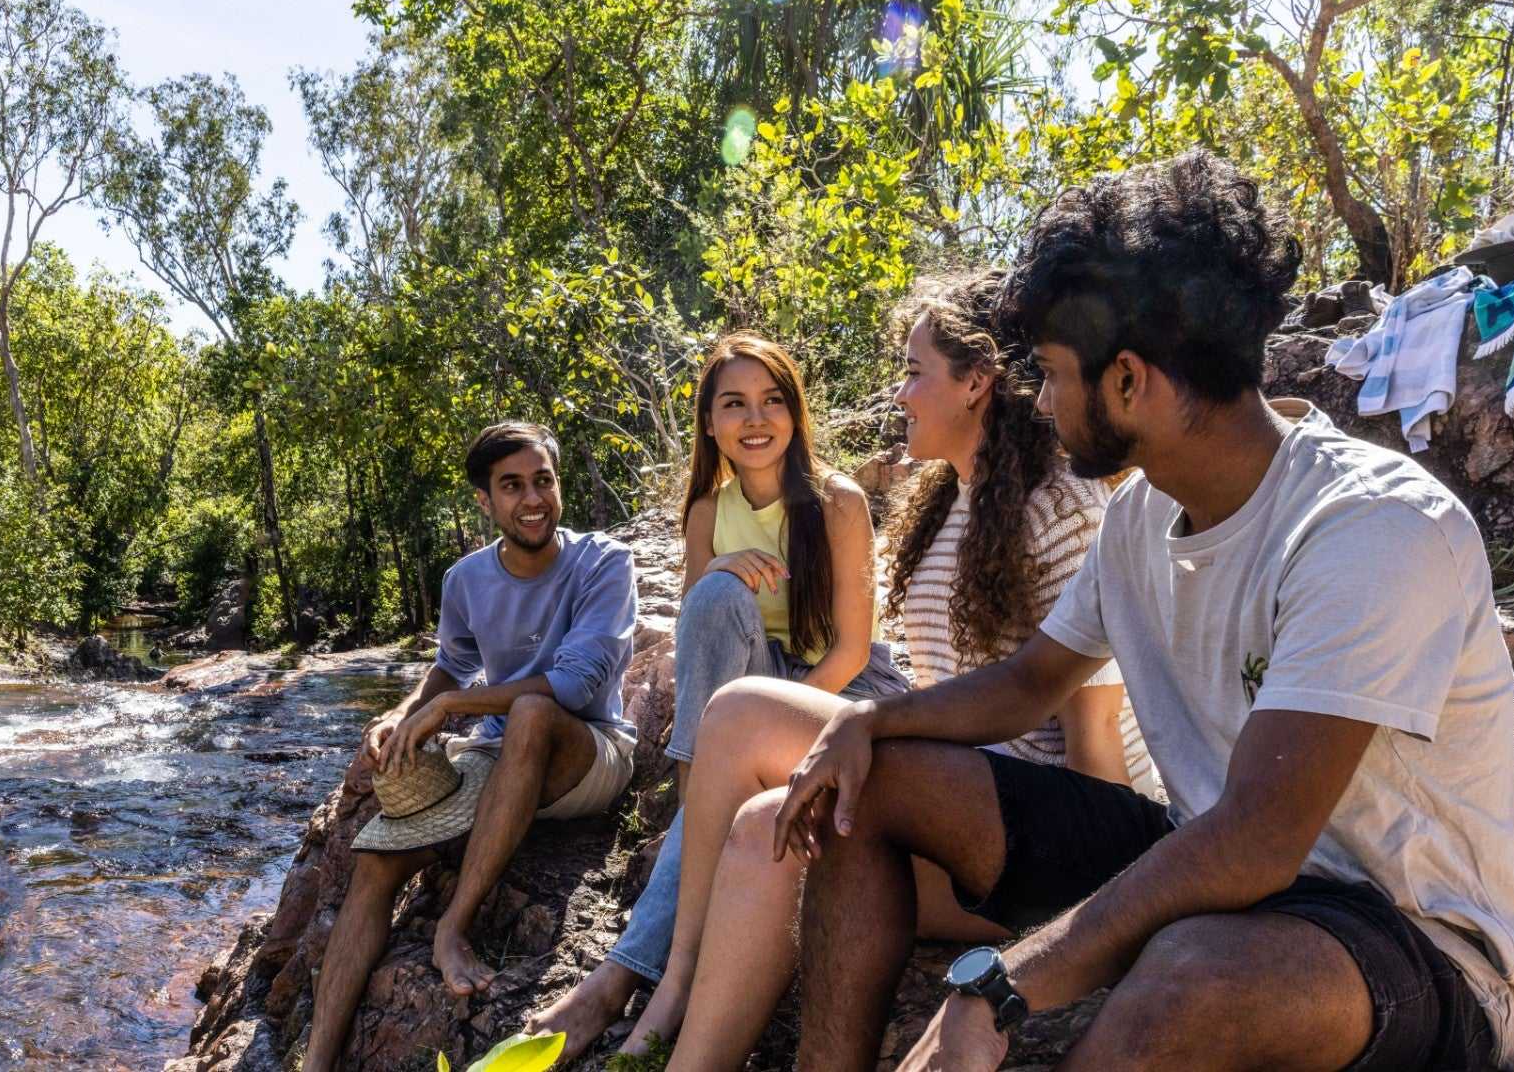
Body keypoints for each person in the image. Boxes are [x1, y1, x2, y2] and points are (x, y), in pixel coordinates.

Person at [775, 152, 1514, 1072]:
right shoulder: (1141, 512)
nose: (1045, 401)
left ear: (1129, 381)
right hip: (1212, 872)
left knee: (1192, 969)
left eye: (1055, 375)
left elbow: (1257, 842)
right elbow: (1028, 684)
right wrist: (868, 721)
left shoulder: (1368, 526)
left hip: (1414, 944)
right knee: (878, 781)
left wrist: (1000, 985)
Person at [590, 271, 1158, 1069]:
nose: (899, 393)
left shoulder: (1057, 505)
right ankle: (679, 1057)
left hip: (1058, 843)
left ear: (976, 381)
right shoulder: (944, 505)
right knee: (765, 829)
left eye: (914, 371)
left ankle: (671, 979)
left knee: (740, 713)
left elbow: (1097, 737)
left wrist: (1107, 924)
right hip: (959, 813)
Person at [525, 333, 908, 1056]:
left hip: (844, 692)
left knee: (722, 760)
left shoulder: (838, 501)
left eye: (772, 401)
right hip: (741, 700)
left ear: (795, 415)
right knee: (709, 600)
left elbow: (854, 650)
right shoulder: (707, 511)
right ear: (709, 423)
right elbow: (707, 640)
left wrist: (765, 730)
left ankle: (641, 979)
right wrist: (723, 569)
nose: (754, 419)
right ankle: (660, 969)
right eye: (734, 403)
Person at [300, 422, 638, 1072]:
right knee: (376, 861)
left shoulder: (604, 563)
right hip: (497, 758)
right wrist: (405, 712)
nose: (532, 499)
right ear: (485, 501)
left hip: (588, 756)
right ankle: (316, 1061)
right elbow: (450, 667)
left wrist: (450, 709)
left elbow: (571, 686)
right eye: (512, 486)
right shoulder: (465, 580)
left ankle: (450, 930)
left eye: (543, 480)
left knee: (535, 712)